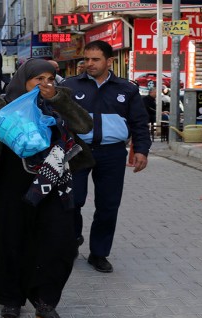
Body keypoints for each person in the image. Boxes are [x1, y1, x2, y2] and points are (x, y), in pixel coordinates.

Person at [0, 59, 93, 318]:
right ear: (24, 79)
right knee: (11, 241)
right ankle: (10, 296)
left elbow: (84, 125)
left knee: (59, 242)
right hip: (10, 184)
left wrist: (58, 100)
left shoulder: (60, 99)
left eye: (50, 78)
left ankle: (45, 303)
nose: (45, 83)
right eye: (38, 78)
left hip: (54, 183)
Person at [61, 40, 151, 273]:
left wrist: (141, 149)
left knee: (108, 205)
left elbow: (139, 122)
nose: (89, 64)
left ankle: (99, 253)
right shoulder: (70, 86)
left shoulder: (127, 89)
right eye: (86, 59)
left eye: (95, 59)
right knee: (73, 201)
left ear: (109, 61)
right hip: (78, 151)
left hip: (112, 153)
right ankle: (70, 243)